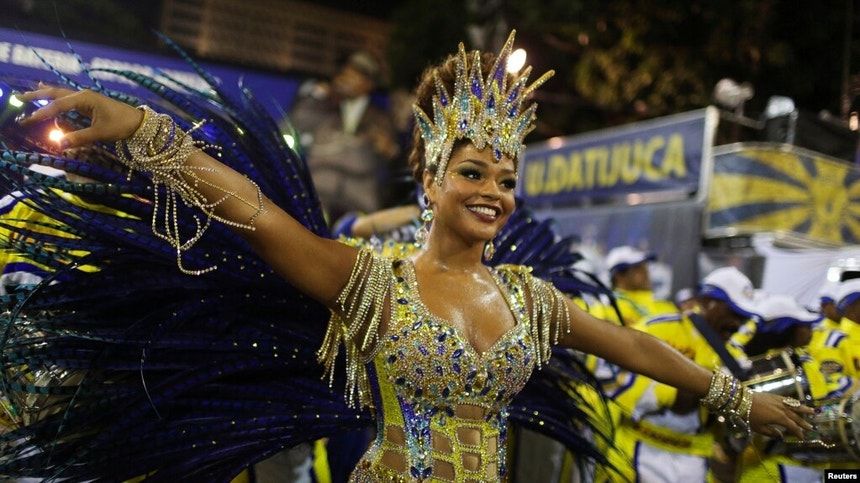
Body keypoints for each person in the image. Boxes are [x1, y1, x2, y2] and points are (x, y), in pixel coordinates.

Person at [11, 31, 813, 481]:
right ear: (429, 181)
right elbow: (258, 216)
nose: (494, 191)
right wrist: (141, 127)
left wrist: (739, 397)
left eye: (505, 178)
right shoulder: (371, 282)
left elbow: (634, 343)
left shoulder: (530, 301)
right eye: (472, 172)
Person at [604, 266, 761, 482]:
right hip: (640, 450)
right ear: (706, 302)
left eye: (744, 317)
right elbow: (616, 381)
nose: (737, 324)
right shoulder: (658, 329)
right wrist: (692, 389)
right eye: (732, 312)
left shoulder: (736, 358)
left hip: (694, 460)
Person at [737, 293, 860, 482]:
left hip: (758, 466)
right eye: (804, 325)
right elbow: (823, 412)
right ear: (789, 329)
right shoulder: (797, 367)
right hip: (785, 468)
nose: (810, 329)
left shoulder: (748, 366)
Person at [284, 49, 401, 223]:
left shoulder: (379, 118)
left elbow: (392, 155)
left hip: (359, 195)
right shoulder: (323, 107)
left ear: (368, 84)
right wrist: (319, 96)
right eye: (346, 74)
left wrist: (389, 150)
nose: (348, 80)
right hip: (320, 188)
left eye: (356, 76)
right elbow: (292, 125)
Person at [604, 245, 678, 326]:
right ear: (619, 276)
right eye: (638, 268)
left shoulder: (665, 307)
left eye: (645, 267)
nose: (646, 273)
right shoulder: (606, 311)